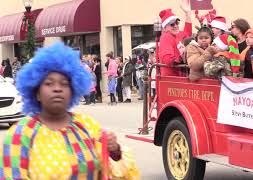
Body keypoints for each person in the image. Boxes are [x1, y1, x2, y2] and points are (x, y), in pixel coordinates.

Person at [0, 42, 140, 179]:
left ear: (73, 90)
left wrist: (114, 151)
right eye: (49, 83)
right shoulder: (20, 134)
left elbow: (110, 171)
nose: (57, 88)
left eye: (64, 83)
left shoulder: (86, 125)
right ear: (36, 92)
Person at [158, 0, 192, 76]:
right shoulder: (166, 37)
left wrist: (188, 13)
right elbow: (168, 59)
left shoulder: (178, 34)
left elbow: (188, 34)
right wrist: (182, 58)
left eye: (177, 23)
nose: (176, 26)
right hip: (172, 79)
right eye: (172, 24)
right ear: (165, 28)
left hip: (180, 76)